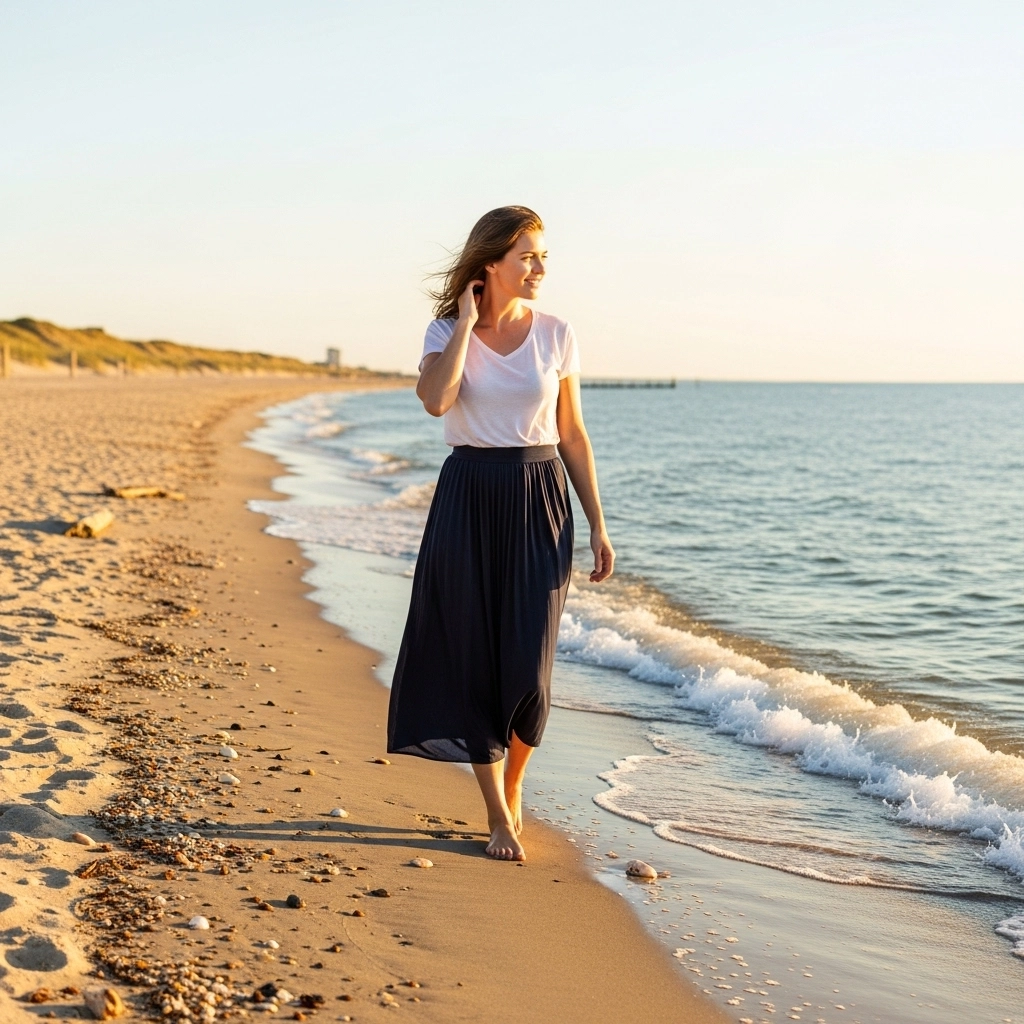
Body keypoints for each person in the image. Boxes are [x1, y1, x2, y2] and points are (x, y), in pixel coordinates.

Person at [387, 206, 614, 862]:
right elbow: (436, 400)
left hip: (539, 500)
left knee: (530, 671)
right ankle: (497, 815)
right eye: (528, 256)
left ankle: (513, 784)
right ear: (492, 263)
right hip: (467, 499)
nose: (540, 268)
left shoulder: (557, 334)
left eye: (543, 257)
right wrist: (463, 322)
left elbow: (571, 433)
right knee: (475, 661)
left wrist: (597, 522)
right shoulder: (444, 330)